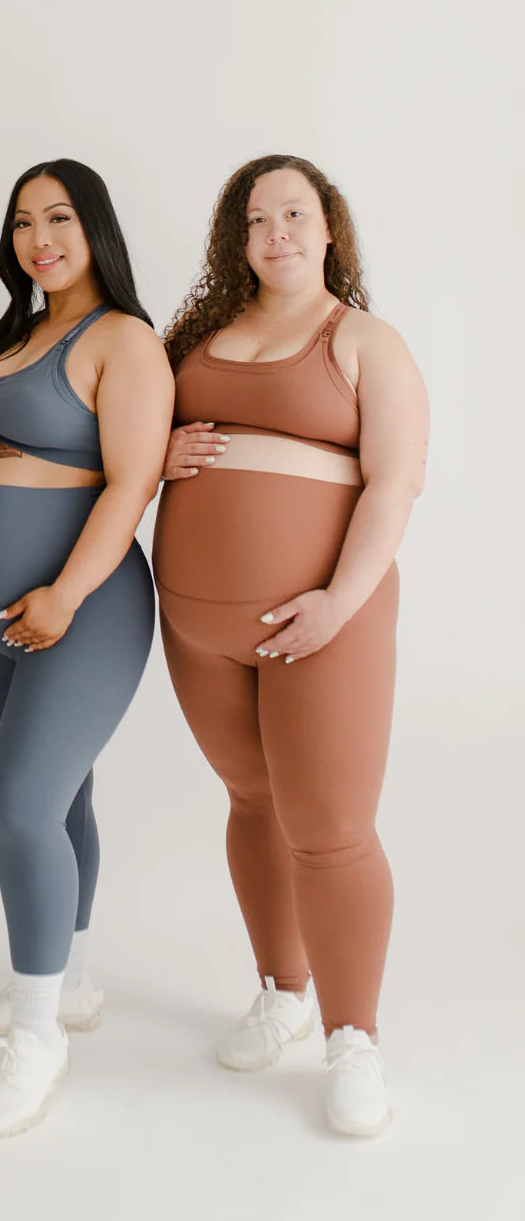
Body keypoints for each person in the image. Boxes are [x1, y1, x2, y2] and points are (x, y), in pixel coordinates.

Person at [155, 154, 428, 1137]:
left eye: (294, 214)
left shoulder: (363, 340)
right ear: (237, 238)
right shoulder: (194, 338)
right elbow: (115, 431)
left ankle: (353, 1041)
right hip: (194, 621)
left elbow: (393, 484)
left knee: (331, 829)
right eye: (256, 218)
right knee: (251, 800)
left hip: (324, 624)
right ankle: (283, 993)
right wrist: (158, 454)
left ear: (329, 228)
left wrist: (337, 604)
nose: (276, 232)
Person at [0, 160, 171, 1137]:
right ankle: (64, 979)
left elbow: (130, 482)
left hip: (86, 607)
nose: (41, 238)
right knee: (61, 800)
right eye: (24, 221)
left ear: (95, 227)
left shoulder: (125, 340)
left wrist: (67, 596)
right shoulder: (12, 335)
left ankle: (38, 1039)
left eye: (60, 217)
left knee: (18, 803)